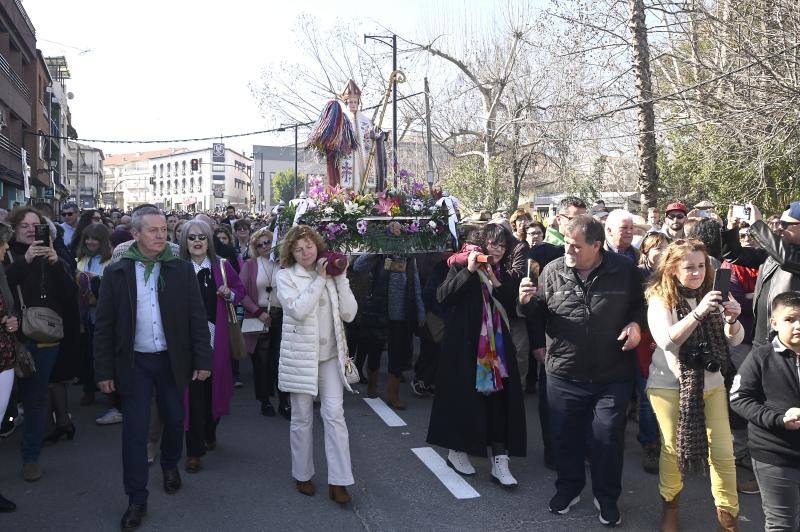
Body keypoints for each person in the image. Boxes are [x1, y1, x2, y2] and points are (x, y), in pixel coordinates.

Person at [518, 214, 644, 527]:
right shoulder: (552, 271)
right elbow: (536, 312)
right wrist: (525, 303)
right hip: (563, 372)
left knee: (607, 438)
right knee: (565, 438)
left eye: (575, 246)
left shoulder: (625, 271)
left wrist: (637, 324)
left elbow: (643, 304)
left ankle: (607, 497)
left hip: (612, 374)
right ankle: (568, 488)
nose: (568, 251)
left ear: (597, 245)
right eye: (566, 245)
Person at [93, 206, 213, 531]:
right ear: (136, 234)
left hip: (172, 359)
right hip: (135, 362)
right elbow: (103, 327)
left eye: (164, 229)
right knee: (134, 432)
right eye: (153, 230)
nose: (162, 235)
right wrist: (103, 372)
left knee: (175, 418)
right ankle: (136, 498)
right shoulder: (117, 273)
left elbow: (196, 319)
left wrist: (203, 360)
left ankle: (170, 463)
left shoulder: (180, 269)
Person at [645, 238, 744, 531]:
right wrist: (699, 311)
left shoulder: (713, 294)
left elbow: (735, 340)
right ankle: (670, 509)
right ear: (673, 269)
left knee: (724, 453)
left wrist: (732, 320)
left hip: (712, 384)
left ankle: (728, 520)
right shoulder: (660, 297)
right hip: (668, 385)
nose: (697, 273)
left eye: (702, 266)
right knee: (673, 451)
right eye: (689, 267)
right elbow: (667, 341)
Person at [427, 226, 527, 488]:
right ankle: (457, 449)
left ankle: (500, 458)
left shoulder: (503, 272)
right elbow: (442, 296)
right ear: (482, 243)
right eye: (493, 243)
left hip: (498, 350)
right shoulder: (463, 265)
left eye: (503, 246)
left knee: (499, 401)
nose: (497, 250)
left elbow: (510, 304)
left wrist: (497, 282)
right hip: (465, 347)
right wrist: (470, 271)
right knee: (465, 401)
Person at [276, 225, 358, 504]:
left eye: (309, 246)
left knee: (334, 415)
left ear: (317, 245)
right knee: (301, 418)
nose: (305, 253)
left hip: (331, 357)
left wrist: (342, 278)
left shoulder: (332, 273)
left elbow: (350, 314)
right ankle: (302, 473)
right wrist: (320, 280)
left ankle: (340, 480)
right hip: (300, 358)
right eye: (298, 249)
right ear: (291, 253)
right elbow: (298, 310)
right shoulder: (285, 276)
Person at [4, 207, 80, 482]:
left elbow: (71, 295)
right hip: (10, 339)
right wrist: (24, 259)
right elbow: (5, 283)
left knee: (36, 400)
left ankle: (31, 458)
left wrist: (55, 262)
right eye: (24, 225)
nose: (30, 230)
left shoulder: (55, 255)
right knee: (8, 403)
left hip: (45, 339)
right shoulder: (7, 254)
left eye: (36, 225)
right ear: (14, 228)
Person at [178, 220, 245, 474]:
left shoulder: (222, 266)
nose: (197, 241)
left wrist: (229, 293)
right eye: (192, 237)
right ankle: (194, 451)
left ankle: (209, 429)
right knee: (192, 395)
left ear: (209, 241)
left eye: (202, 237)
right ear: (185, 241)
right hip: (188, 343)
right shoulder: (176, 268)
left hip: (217, 338)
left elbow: (240, 292)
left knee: (214, 391)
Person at [730, 291, 800, 531]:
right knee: (782, 524)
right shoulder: (760, 357)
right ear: (774, 323)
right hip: (774, 454)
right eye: (790, 319)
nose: (798, 325)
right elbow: (739, 399)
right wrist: (779, 419)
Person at [354, 252, 424, 409]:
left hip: (401, 315)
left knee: (397, 355)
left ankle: (394, 395)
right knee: (375, 350)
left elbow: (416, 286)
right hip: (379, 311)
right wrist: (376, 250)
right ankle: (372, 386)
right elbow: (358, 266)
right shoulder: (379, 256)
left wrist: (420, 313)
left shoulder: (410, 258)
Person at [75, 224, 123, 423]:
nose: (90, 242)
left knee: (104, 356)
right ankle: (89, 388)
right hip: (85, 315)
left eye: (95, 238)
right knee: (86, 354)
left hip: (103, 315)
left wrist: (96, 281)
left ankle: (113, 403)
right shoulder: (81, 259)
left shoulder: (112, 261)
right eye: (87, 238)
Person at [238, 228, 289, 418]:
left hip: (282, 315)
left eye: (268, 242)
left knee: (281, 361)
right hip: (258, 316)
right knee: (261, 362)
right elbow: (241, 293)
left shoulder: (283, 264)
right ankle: (265, 401)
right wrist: (258, 312)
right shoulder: (250, 265)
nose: (265, 247)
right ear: (255, 249)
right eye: (260, 245)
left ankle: (284, 402)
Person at [635, 232, 671, 475]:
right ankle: (650, 443)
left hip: (671, 338)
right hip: (645, 338)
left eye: (664, 246)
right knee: (647, 394)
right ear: (646, 252)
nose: (660, 251)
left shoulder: (674, 272)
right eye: (655, 247)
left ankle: (670, 442)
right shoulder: (637, 275)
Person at [0, 222, 20, 512]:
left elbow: (9, 306)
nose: (6, 248)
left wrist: (11, 319)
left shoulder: (1, 272)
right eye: (2, 243)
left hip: (4, 359)